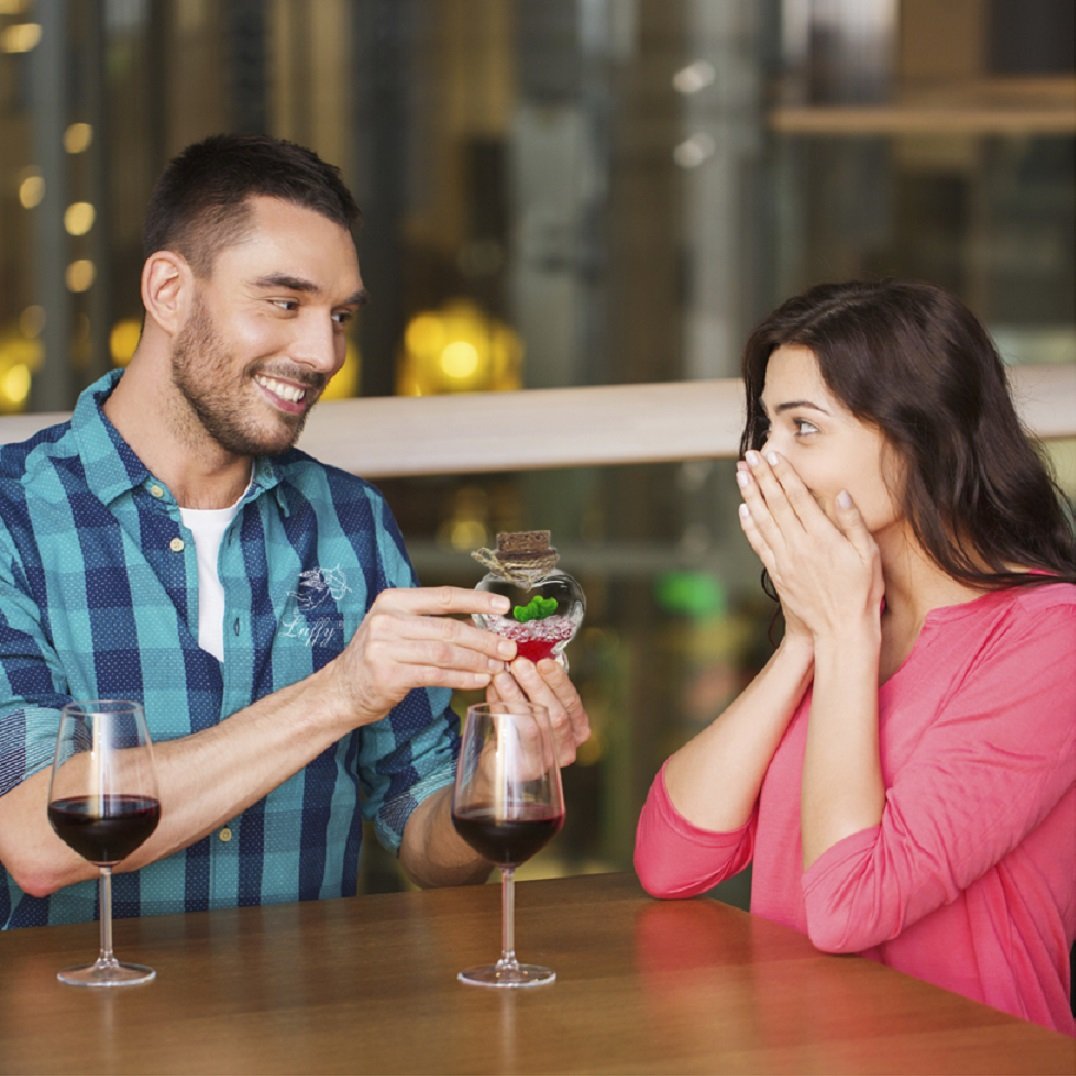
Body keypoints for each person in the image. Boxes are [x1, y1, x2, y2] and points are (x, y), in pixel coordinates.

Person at [0, 133, 589, 929]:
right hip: (73, 1008)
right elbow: (37, 841)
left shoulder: (352, 520)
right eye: (284, 303)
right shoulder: (14, 517)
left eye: (339, 316)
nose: (323, 353)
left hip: (305, 1004)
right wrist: (339, 695)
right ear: (169, 292)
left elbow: (430, 850)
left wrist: (498, 777)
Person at [633, 279, 1076, 1034]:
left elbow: (847, 909)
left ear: (920, 437)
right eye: (766, 427)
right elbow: (671, 863)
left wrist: (841, 638)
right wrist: (806, 639)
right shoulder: (847, 618)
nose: (766, 461)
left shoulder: (1049, 640)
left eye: (803, 428)